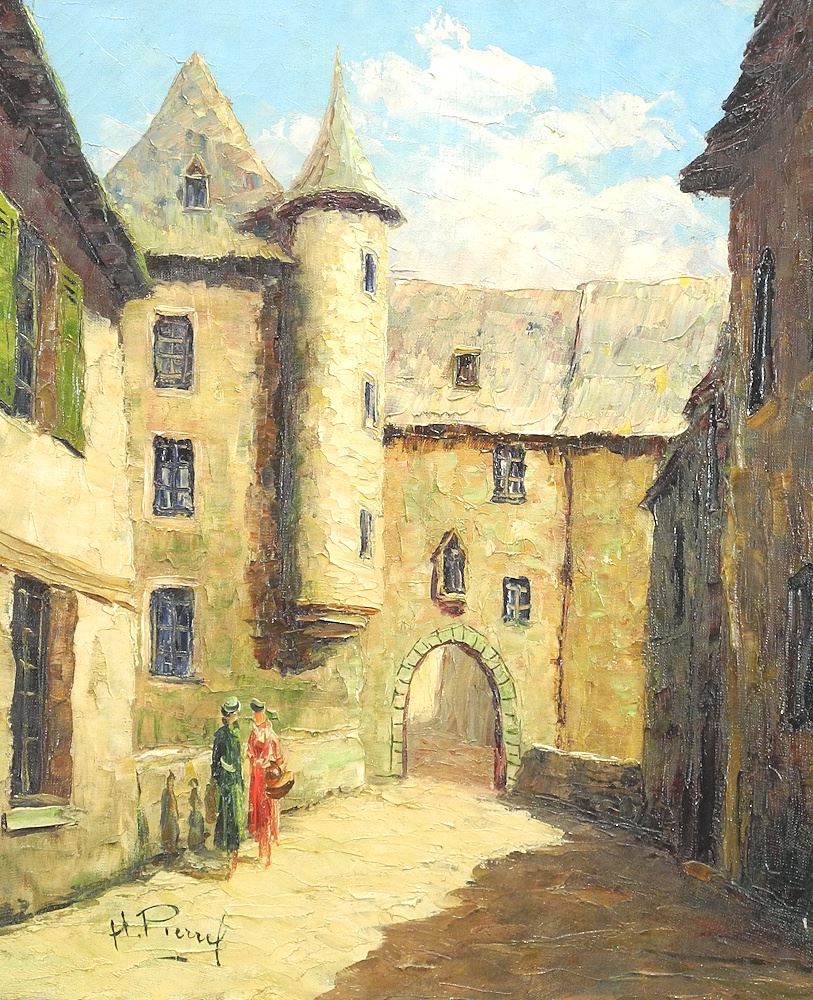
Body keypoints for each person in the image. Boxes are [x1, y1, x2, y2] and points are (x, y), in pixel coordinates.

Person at [247, 698, 285, 868]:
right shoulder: (254, 733)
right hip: (257, 780)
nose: (255, 716)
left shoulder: (270, 735)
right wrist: (254, 763)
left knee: (266, 815)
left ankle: (265, 853)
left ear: (262, 714)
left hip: (267, 780)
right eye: (255, 713)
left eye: (258, 713)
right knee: (260, 814)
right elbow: (249, 754)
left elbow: (280, 759)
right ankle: (262, 852)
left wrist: (274, 770)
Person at [211, 697, 244, 876]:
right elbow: (215, 760)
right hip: (226, 784)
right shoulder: (221, 735)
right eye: (234, 714)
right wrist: (219, 775)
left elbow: (239, 761)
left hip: (235, 783)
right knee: (227, 818)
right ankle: (230, 855)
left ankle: (233, 855)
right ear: (229, 715)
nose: (236, 716)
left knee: (236, 819)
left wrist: (239, 779)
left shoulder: (237, 733)